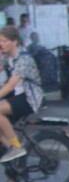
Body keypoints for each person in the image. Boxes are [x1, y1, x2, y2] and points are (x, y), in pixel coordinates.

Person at [0, 25, 43, 168]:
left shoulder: (24, 59)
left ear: (14, 41)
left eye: (4, 41)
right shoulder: (7, 57)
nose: (1, 44)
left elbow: (10, 86)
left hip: (29, 98)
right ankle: (16, 162)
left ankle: (16, 146)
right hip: (17, 97)